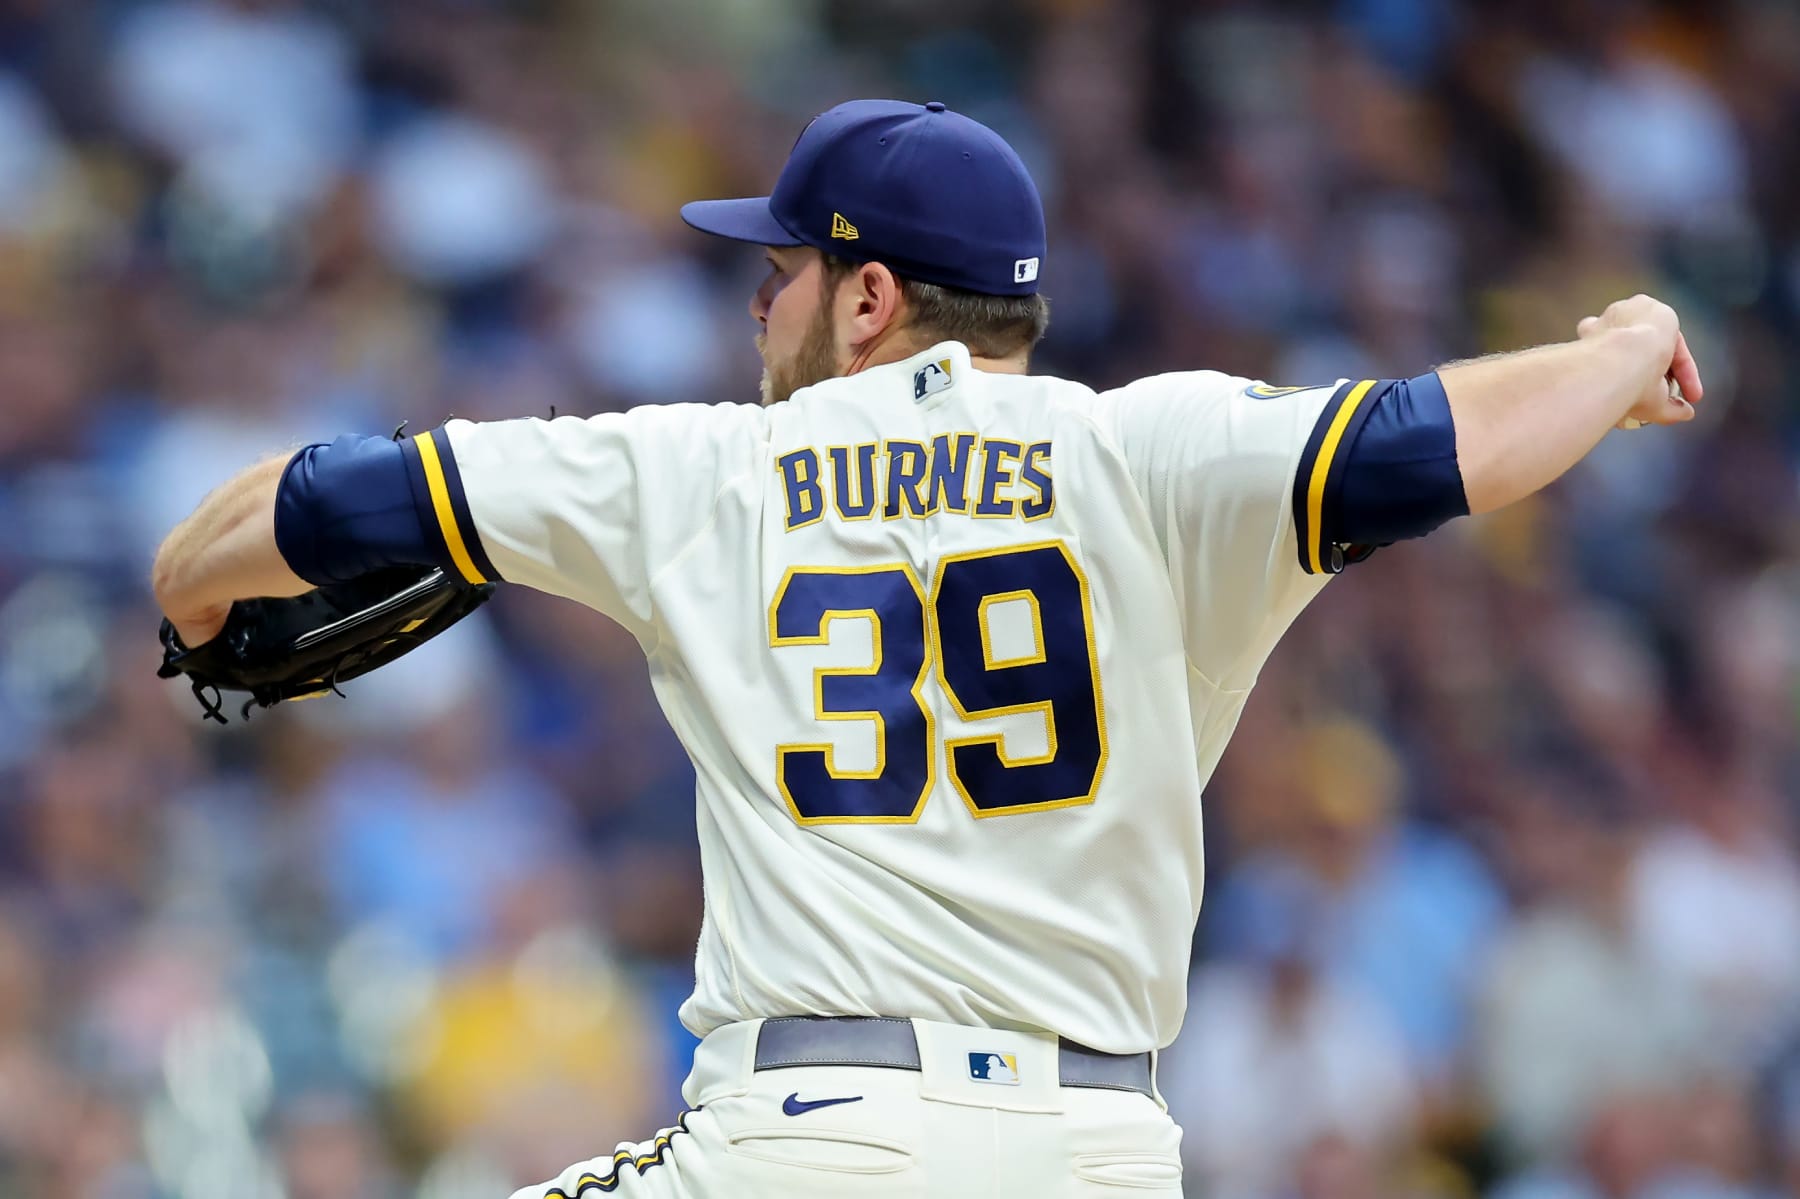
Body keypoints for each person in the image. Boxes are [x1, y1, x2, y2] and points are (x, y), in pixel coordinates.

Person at [150, 99, 1705, 1198]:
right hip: (1105, 1150)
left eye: (784, 271)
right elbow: (1447, 443)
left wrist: (191, 588)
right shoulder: (1158, 454)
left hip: (814, 1137)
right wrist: (1625, 348)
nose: (762, 304)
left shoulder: (696, 468)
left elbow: (324, 497)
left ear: (873, 297)